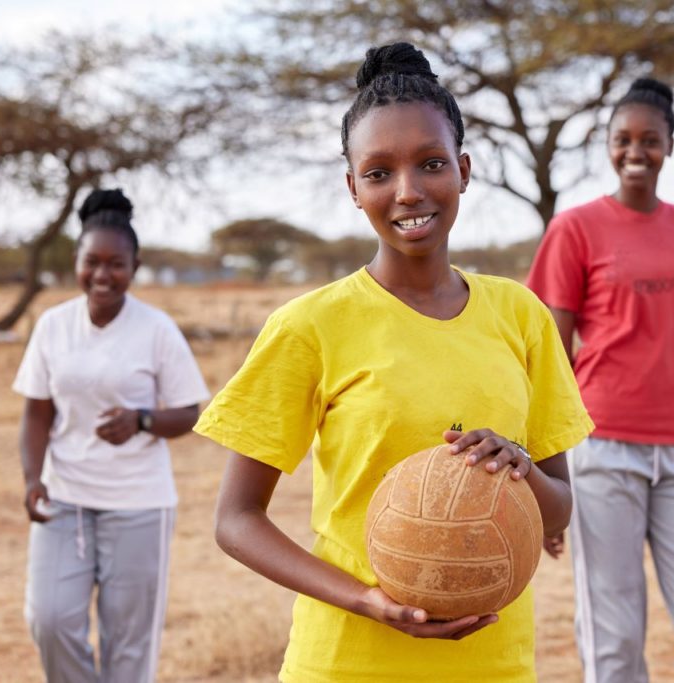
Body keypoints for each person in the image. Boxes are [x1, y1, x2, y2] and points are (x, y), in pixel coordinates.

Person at [195, 42, 593, 683]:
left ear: (464, 169)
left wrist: (520, 469)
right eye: (379, 173)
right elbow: (237, 520)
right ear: (353, 187)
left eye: (431, 164)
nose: (409, 192)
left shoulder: (520, 316)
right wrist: (367, 601)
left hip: (494, 665)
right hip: (349, 660)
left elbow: (559, 508)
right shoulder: (310, 326)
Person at [526, 78, 674, 682]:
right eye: (622, 139)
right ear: (607, 145)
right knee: (613, 637)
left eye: (650, 140)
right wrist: (550, 478)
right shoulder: (574, 229)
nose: (635, 151)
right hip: (603, 451)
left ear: (670, 146)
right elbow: (550, 360)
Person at [12, 188, 209, 683]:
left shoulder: (157, 330)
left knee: (128, 644)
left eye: (115, 264)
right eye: (91, 262)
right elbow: (36, 414)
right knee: (50, 621)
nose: (102, 275)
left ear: (135, 265)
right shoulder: (53, 326)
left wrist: (142, 420)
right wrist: (32, 479)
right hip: (64, 501)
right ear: (75, 261)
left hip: (139, 504)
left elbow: (189, 412)